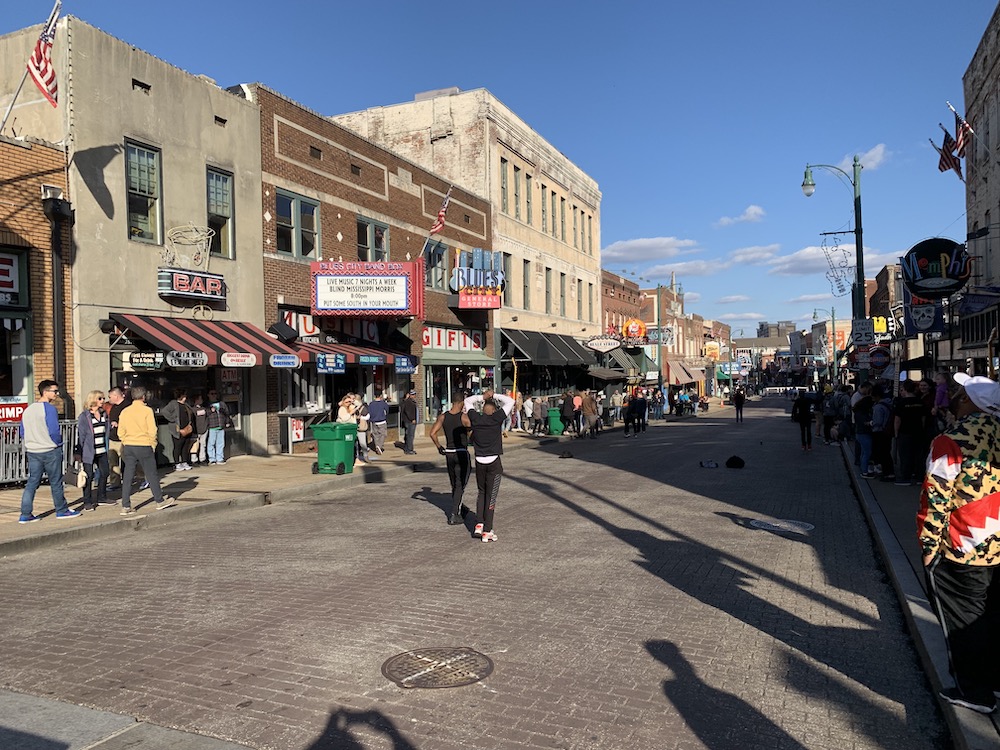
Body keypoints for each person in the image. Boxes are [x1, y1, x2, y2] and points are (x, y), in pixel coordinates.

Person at [918, 373, 1000, 714]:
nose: (953, 396)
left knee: (962, 621)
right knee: (992, 616)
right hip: (997, 542)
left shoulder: (950, 440)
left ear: (970, 402)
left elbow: (936, 498)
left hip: (963, 544)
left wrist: (928, 548)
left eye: (959, 393)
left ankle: (974, 692)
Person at [18, 379, 81, 523]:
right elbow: (53, 430)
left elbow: (22, 431)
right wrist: (58, 443)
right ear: (45, 392)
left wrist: (31, 442)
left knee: (32, 482)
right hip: (50, 450)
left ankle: (25, 514)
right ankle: (61, 510)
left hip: (33, 450)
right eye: (54, 391)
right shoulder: (49, 409)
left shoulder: (28, 410)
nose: (57, 394)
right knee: (56, 482)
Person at [463, 389, 515, 543]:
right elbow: (510, 402)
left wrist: (482, 397)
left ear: (483, 410)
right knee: (491, 497)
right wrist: (495, 395)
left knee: (482, 492)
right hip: (493, 462)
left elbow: (467, 402)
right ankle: (487, 530)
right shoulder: (496, 419)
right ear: (493, 411)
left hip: (479, 460)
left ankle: (479, 523)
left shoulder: (476, 418)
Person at [117, 385, 176, 515]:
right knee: (151, 474)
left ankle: (125, 505)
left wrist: (125, 441)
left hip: (129, 445)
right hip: (144, 445)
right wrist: (152, 444)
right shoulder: (147, 411)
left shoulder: (125, 411)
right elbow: (152, 430)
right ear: (144, 397)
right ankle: (159, 501)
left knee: (128, 476)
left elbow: (120, 431)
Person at [429, 390, 472, 525]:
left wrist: (439, 447)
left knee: (454, 483)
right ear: (461, 403)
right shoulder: (464, 418)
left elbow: (432, 433)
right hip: (461, 452)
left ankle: (460, 507)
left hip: (449, 453)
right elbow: (472, 432)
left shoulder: (443, 417)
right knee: (461, 483)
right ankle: (454, 514)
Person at [76, 390, 112, 511]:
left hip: (102, 449)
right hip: (89, 451)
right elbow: (81, 435)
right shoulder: (84, 416)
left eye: (103, 398)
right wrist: (78, 452)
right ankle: (87, 501)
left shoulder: (104, 414)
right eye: (100, 398)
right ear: (94, 400)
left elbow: (106, 430)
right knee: (89, 476)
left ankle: (102, 497)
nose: (103, 401)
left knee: (105, 472)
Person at [894, 379, 926, 486]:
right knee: (919, 455)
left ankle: (905, 477)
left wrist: (896, 432)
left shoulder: (901, 403)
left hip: (905, 431)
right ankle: (919, 477)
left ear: (905, 390)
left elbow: (897, 420)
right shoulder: (920, 401)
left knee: (905, 455)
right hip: (918, 431)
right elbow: (923, 418)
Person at [160, 388, 194, 472]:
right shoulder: (173, 403)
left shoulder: (186, 405)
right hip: (177, 430)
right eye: (184, 395)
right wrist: (172, 419)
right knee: (177, 446)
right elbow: (164, 411)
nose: (185, 397)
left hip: (187, 429)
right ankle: (177, 463)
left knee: (185, 446)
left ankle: (184, 462)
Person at [105, 386, 128, 489]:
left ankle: (141, 477)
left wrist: (119, 424)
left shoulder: (127, 406)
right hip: (113, 438)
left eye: (110, 396)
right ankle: (115, 482)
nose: (109, 399)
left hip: (124, 439)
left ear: (116, 396)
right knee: (113, 462)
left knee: (128, 460)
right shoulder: (113, 407)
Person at [206, 390, 231, 465]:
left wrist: (227, 422)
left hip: (221, 426)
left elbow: (227, 413)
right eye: (212, 394)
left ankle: (219, 458)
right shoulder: (207, 404)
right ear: (208, 395)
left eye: (215, 393)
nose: (214, 395)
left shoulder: (222, 403)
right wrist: (210, 411)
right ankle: (212, 459)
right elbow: (205, 414)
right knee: (211, 443)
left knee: (220, 443)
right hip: (212, 426)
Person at [189, 392, 209, 466]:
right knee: (194, 445)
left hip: (204, 429)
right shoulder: (192, 410)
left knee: (203, 444)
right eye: (200, 399)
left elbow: (207, 417)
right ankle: (194, 459)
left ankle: (202, 458)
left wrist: (207, 426)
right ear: (196, 400)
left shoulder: (204, 409)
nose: (202, 400)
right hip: (196, 430)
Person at [367, 388, 389, 455]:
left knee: (375, 435)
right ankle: (379, 446)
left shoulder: (371, 404)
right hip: (382, 421)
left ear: (374, 396)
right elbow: (387, 411)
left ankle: (377, 445)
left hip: (374, 422)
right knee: (383, 434)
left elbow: (369, 412)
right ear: (381, 396)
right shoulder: (383, 403)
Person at [353, 394, 371, 465]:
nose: (353, 401)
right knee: (355, 444)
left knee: (362, 443)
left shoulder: (363, 407)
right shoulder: (352, 407)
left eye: (355, 400)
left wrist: (360, 417)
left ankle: (365, 456)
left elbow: (367, 416)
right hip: (353, 427)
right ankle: (356, 457)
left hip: (361, 428)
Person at [400, 390, 418, 454]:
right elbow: (408, 412)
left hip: (409, 421)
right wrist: (412, 419)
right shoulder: (408, 402)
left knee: (408, 435)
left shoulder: (410, 402)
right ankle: (409, 449)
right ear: (409, 395)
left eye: (414, 394)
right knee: (410, 435)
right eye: (412, 394)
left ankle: (407, 448)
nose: (414, 396)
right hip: (409, 421)